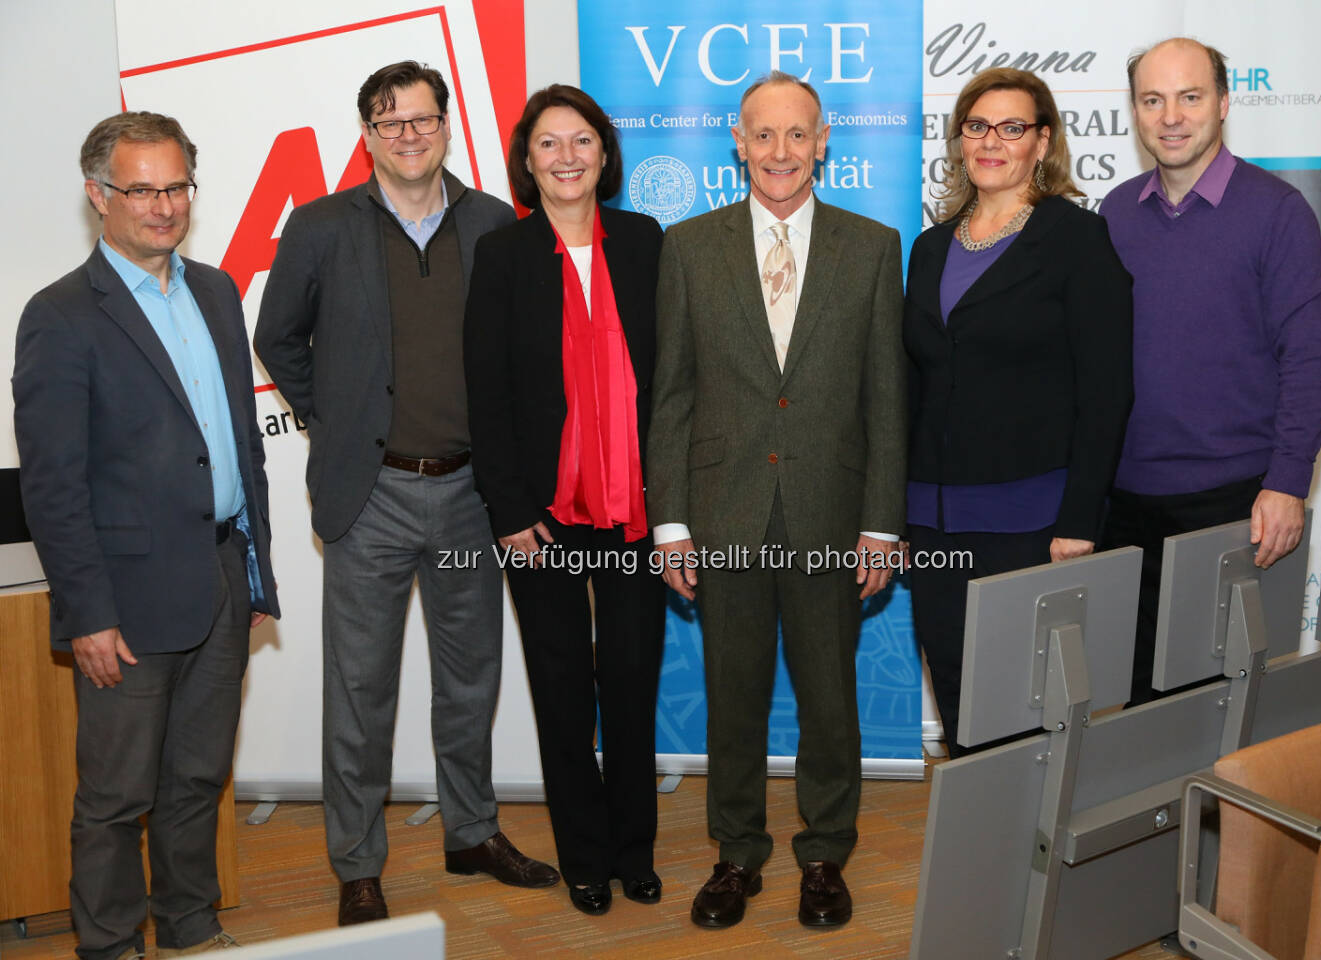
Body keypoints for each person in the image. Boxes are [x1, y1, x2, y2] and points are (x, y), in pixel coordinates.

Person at [253, 61, 558, 926]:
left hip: (470, 494)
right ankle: (357, 863)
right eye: (390, 125)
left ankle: (471, 833)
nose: (409, 137)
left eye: (422, 120)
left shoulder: (496, 223)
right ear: (368, 136)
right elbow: (278, 336)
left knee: (470, 681)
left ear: (446, 125)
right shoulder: (318, 226)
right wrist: (337, 419)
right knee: (360, 689)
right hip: (371, 497)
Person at [13, 111, 280, 959]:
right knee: (117, 796)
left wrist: (259, 576)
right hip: (124, 604)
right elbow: (54, 487)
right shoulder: (60, 315)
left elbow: (241, 445)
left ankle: (191, 925)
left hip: (222, 577)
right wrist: (86, 613)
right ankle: (111, 945)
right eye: (142, 190)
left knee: (198, 779)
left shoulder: (215, 292)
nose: (163, 207)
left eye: (176, 187)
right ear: (99, 196)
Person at [646, 70, 906, 930]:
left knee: (831, 698)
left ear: (823, 141)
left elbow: (884, 398)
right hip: (725, 516)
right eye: (764, 135)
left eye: (798, 135)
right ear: (738, 143)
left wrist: (879, 526)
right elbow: (673, 396)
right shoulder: (687, 248)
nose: (781, 152)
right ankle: (736, 855)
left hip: (831, 517)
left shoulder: (873, 247)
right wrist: (672, 525)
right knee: (733, 695)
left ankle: (826, 852)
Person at [464, 85, 665, 916]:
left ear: (605, 153)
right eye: (550, 144)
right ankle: (584, 855)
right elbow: (489, 393)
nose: (568, 157)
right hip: (541, 517)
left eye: (582, 141)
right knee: (559, 685)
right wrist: (509, 512)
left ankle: (634, 851)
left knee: (629, 678)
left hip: (637, 512)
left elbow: (676, 378)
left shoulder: (648, 243)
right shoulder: (504, 256)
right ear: (527, 160)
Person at [1098, 38, 1321, 705]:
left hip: (1234, 505)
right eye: (1153, 99)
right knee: (1138, 705)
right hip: (1126, 508)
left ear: (1224, 103)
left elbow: (1310, 361)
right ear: (1136, 112)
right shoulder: (1114, 214)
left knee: (1223, 706)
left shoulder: (1278, 212)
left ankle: (1216, 816)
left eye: (1190, 96)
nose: (1171, 116)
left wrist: (1288, 484)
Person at [904, 68, 1133, 758]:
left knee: (1027, 712)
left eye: (1012, 127)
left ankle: (1031, 858)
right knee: (958, 704)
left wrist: (1079, 519)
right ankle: (980, 853)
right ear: (959, 141)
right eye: (977, 126)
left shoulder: (1075, 238)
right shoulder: (930, 247)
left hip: (1031, 524)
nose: (992, 141)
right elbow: (912, 386)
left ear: (1042, 142)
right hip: (933, 521)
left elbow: (1107, 389)